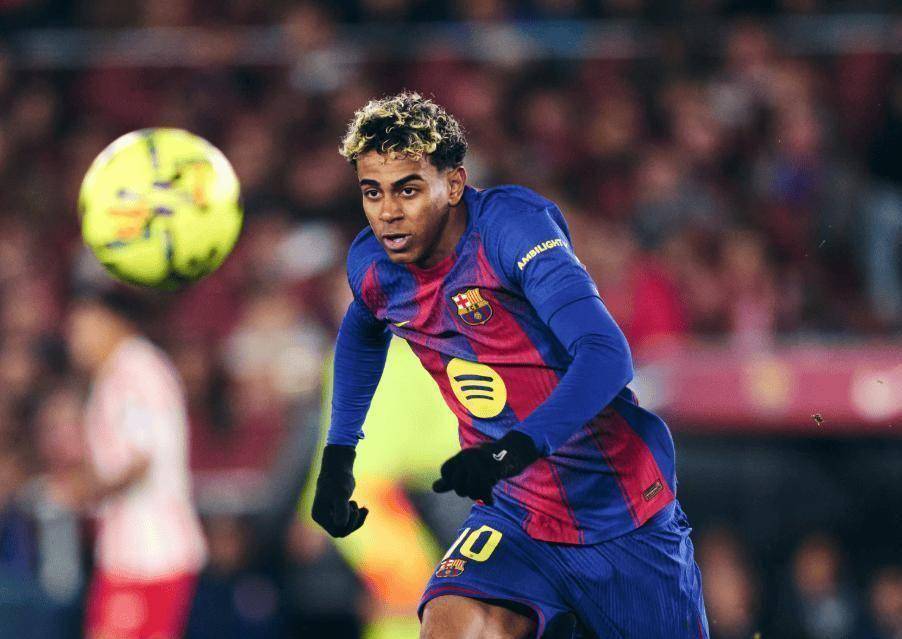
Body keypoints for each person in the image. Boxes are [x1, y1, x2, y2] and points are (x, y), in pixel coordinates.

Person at [311, 92, 708, 639]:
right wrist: (339, 456)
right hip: (513, 514)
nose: (387, 213)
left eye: (408, 189)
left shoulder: (511, 230)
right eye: (372, 192)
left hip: (617, 512)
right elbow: (362, 330)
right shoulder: (374, 265)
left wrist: (512, 449)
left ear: (454, 184)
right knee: (449, 627)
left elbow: (606, 354)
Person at [52, 289, 206, 639]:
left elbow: (139, 459)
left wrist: (81, 492)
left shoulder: (134, 372)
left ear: (113, 323)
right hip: (132, 550)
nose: (74, 340)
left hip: (150, 551)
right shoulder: (123, 371)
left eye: (82, 328)